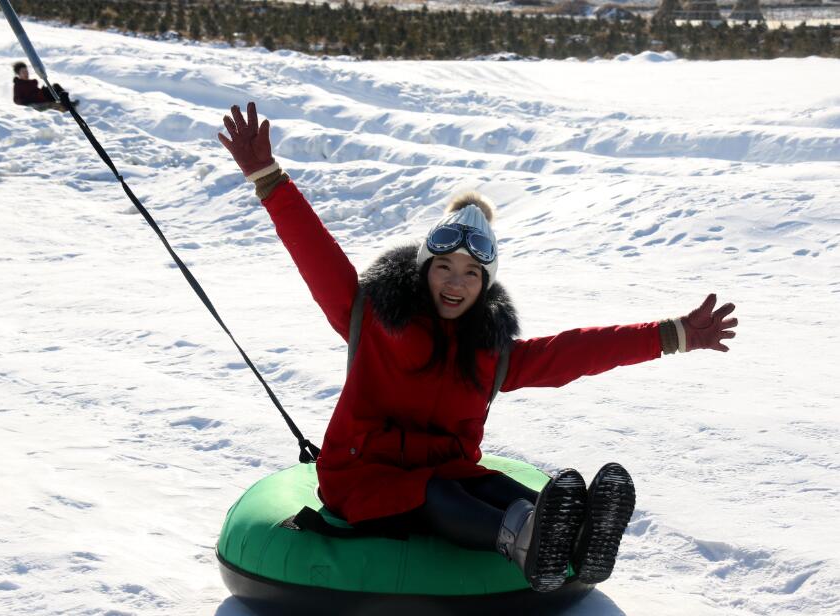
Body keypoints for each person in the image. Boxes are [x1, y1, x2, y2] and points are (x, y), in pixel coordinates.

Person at [218, 102, 738, 592]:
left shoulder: (490, 353)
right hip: (362, 477)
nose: (455, 281)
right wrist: (268, 177)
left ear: (484, 285)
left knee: (493, 489)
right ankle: (530, 543)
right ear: (424, 271)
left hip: (446, 469)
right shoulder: (369, 316)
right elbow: (315, 251)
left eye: (471, 273)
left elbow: (573, 352)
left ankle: (580, 534)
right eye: (443, 267)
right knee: (439, 494)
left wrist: (674, 335)